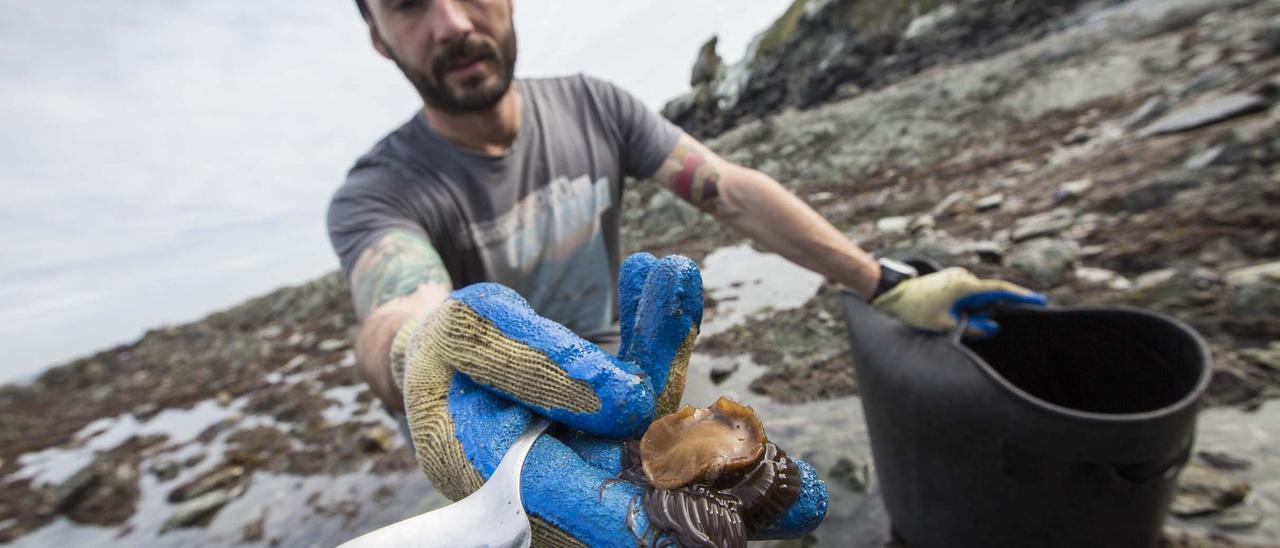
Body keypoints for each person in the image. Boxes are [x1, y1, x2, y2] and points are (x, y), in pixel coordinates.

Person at [327, 0, 1043, 544]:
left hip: (636, 385)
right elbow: (394, 300)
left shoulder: (590, 105)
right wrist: (416, 341)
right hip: (491, 437)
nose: (451, 23)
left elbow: (727, 188)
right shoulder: (381, 190)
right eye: (408, 3)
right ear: (377, 35)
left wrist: (882, 280)